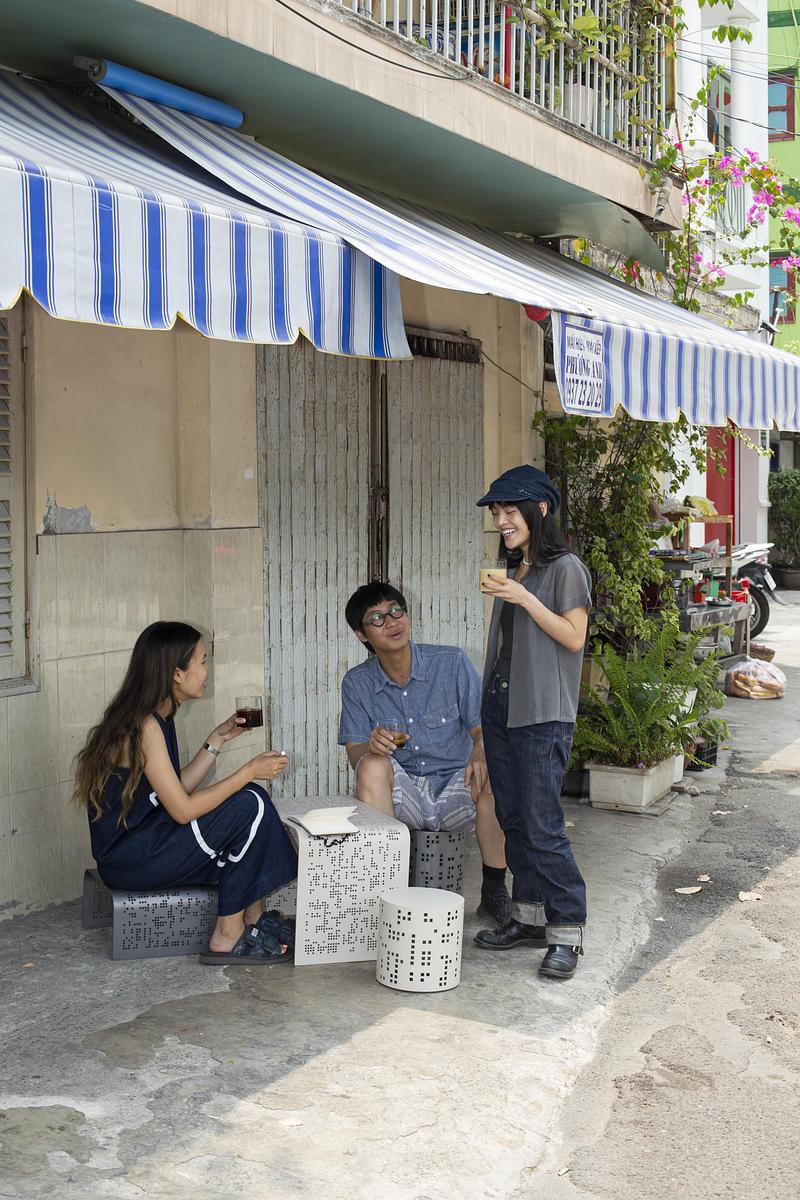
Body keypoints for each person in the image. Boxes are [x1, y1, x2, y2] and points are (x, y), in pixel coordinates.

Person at [74, 621, 298, 965]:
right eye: (203, 661)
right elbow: (180, 810)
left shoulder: (157, 716)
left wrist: (217, 740)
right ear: (177, 673)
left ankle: (253, 919)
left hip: (148, 845)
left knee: (254, 803)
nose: (208, 670)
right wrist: (247, 772)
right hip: (133, 861)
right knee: (249, 800)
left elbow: (173, 790)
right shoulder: (145, 725)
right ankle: (227, 935)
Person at [474, 465, 592, 980]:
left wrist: (524, 598)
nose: (500, 520)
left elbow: (573, 637)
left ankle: (567, 929)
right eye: (495, 512)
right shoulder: (515, 567)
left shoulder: (564, 568)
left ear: (539, 510)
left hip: (542, 712)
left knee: (543, 826)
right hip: (502, 707)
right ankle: (528, 918)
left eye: (508, 510)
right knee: (514, 819)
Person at [338, 582, 511, 924]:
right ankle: (385, 893)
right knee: (372, 767)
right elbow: (354, 751)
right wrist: (369, 749)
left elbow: (482, 729)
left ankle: (493, 892)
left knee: (490, 768)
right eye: (377, 618)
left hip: (456, 789)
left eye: (395, 611)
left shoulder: (452, 662)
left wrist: (480, 748)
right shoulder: (356, 683)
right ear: (361, 635)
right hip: (405, 795)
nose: (391, 622)